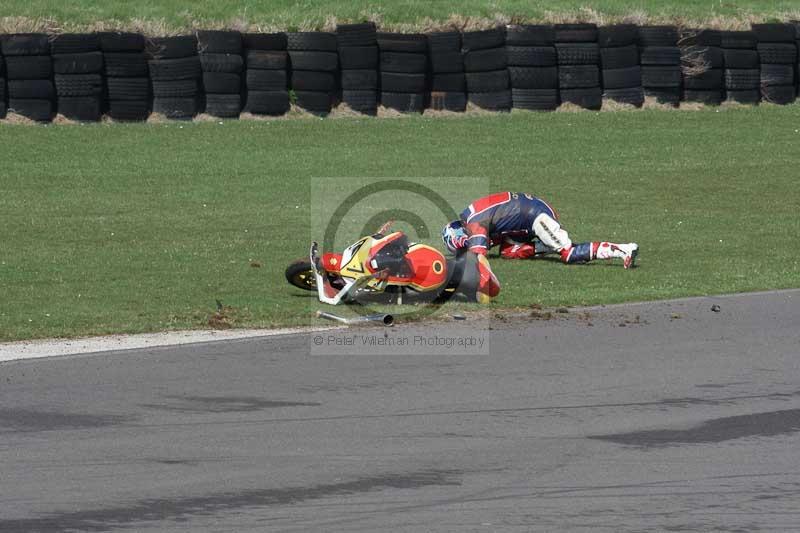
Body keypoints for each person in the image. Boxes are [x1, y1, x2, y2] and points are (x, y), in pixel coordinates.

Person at [441, 192, 638, 268]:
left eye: (459, 247)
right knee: (509, 252)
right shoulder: (472, 216)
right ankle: (549, 245)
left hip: (535, 216)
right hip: (527, 215)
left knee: (569, 254)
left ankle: (624, 249)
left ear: (459, 236)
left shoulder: (475, 224)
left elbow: (478, 259)